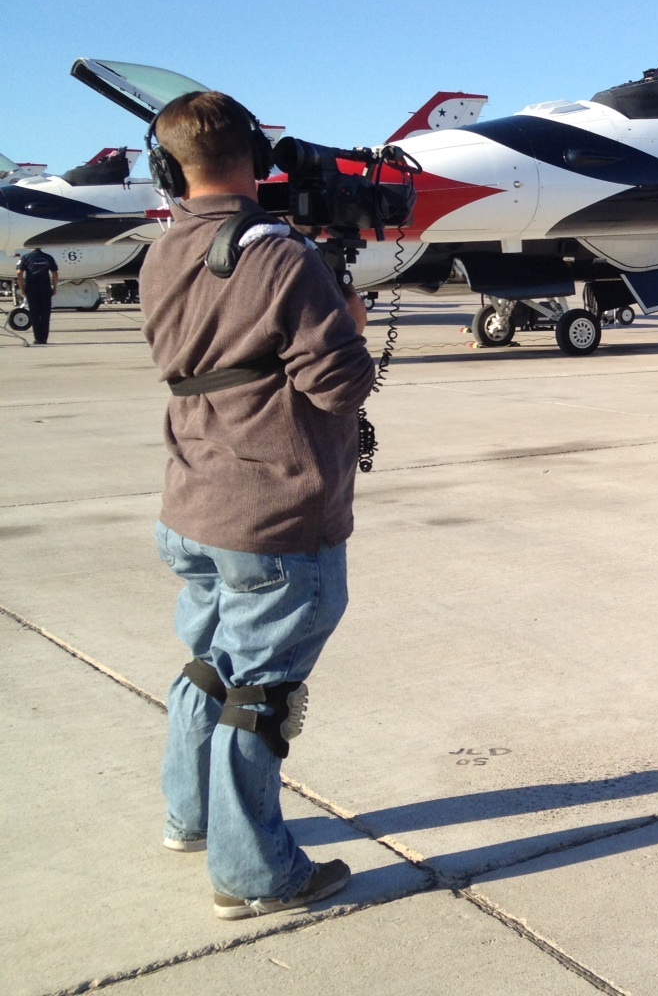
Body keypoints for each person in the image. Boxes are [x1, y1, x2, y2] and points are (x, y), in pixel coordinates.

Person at [141, 91, 374, 919]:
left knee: (209, 664)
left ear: (167, 168)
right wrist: (348, 316)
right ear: (257, 161)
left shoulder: (163, 253)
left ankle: (191, 819)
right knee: (261, 693)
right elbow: (339, 382)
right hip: (274, 515)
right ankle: (254, 874)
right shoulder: (277, 255)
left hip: (194, 504)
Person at [15, 246, 58, 344]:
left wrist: (22, 289)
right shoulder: (48, 257)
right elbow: (55, 274)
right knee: (45, 314)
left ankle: (38, 338)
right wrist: (54, 288)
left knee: (34, 314)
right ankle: (44, 338)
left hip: (32, 288)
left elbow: (19, 274)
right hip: (45, 288)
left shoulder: (25, 257)